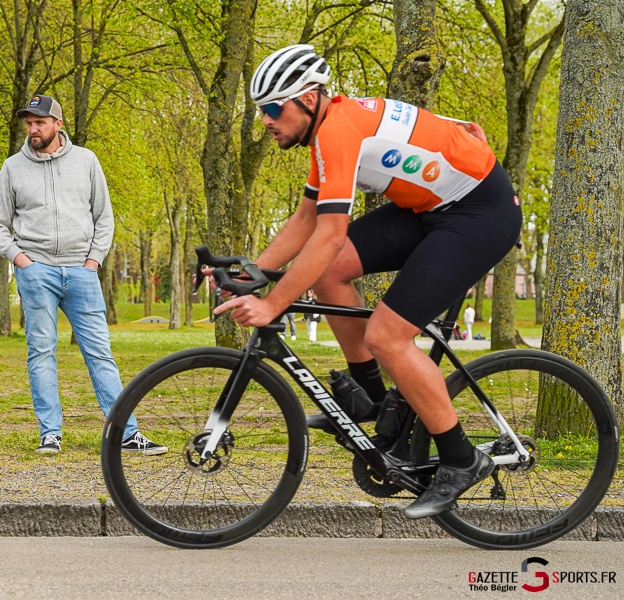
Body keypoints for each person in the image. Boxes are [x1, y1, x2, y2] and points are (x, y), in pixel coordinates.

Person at [214, 45, 522, 519]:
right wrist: (248, 272)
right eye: (261, 111)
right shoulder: (326, 131)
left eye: (274, 108)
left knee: (387, 335)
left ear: (310, 99)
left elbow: (330, 233)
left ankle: (462, 459)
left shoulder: (336, 133)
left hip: (479, 214)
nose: (267, 121)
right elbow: (306, 217)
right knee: (331, 274)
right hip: (430, 207)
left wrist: (273, 302)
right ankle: (373, 400)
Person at [0, 94, 166, 456]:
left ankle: (125, 433)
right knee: (41, 353)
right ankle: (50, 433)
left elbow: (104, 217)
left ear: (58, 124)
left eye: (39, 122)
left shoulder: (86, 161)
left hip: (82, 273)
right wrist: (23, 262)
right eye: (29, 123)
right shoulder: (12, 167)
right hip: (36, 272)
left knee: (100, 354)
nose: (33, 129)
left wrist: (93, 262)